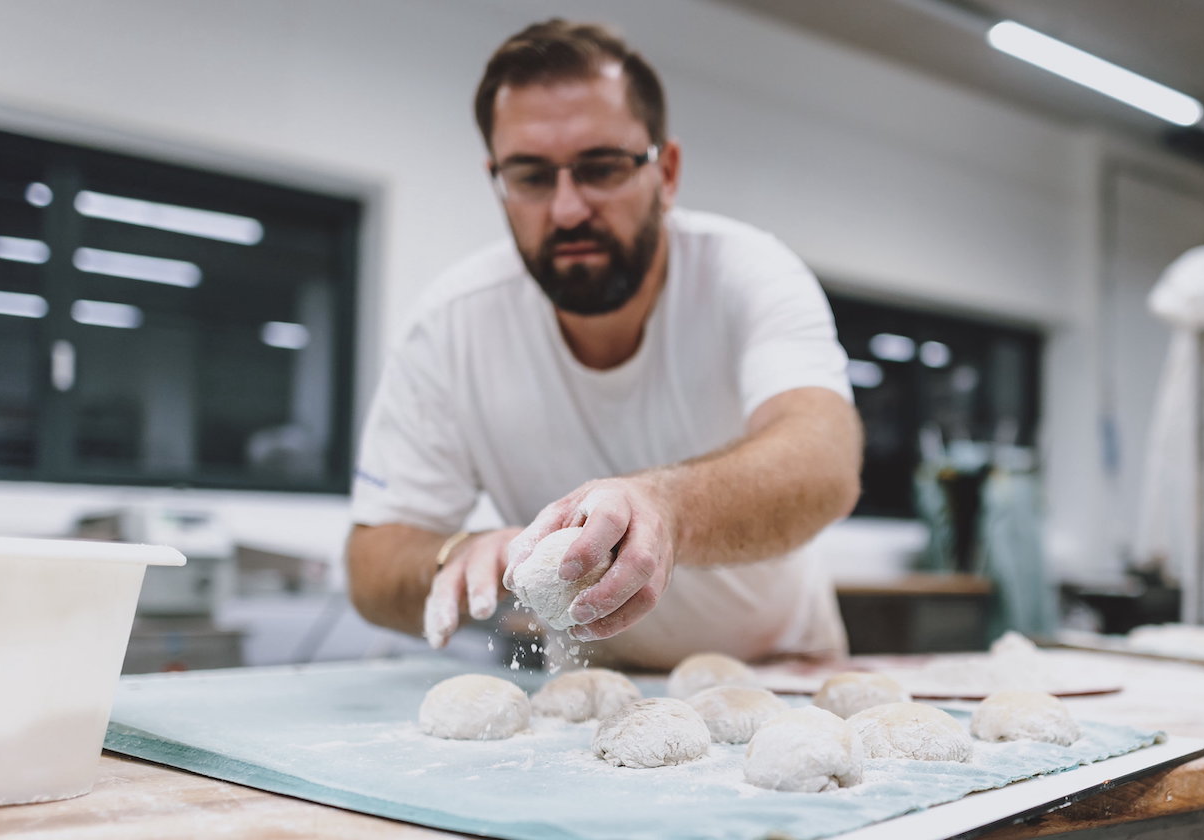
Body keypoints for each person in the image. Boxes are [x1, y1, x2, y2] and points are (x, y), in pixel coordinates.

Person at [345, 19, 864, 670]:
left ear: (666, 172)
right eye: (531, 176)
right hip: (585, 697)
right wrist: (462, 554)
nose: (566, 210)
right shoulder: (452, 326)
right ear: (497, 180)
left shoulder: (748, 274)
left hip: (782, 673)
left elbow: (823, 459)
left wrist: (666, 510)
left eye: (601, 168)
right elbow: (371, 561)